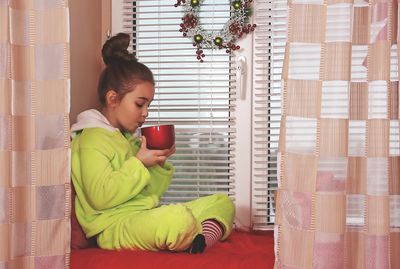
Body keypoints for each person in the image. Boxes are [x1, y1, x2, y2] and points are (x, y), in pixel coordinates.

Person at [70, 33, 235, 254]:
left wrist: (157, 162)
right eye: (140, 104)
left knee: (222, 201)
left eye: (148, 105)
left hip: (143, 215)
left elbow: (151, 195)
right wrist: (139, 163)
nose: (145, 113)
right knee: (177, 219)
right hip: (114, 226)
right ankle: (193, 235)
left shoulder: (127, 139)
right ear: (112, 99)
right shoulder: (92, 138)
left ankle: (199, 239)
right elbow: (100, 198)